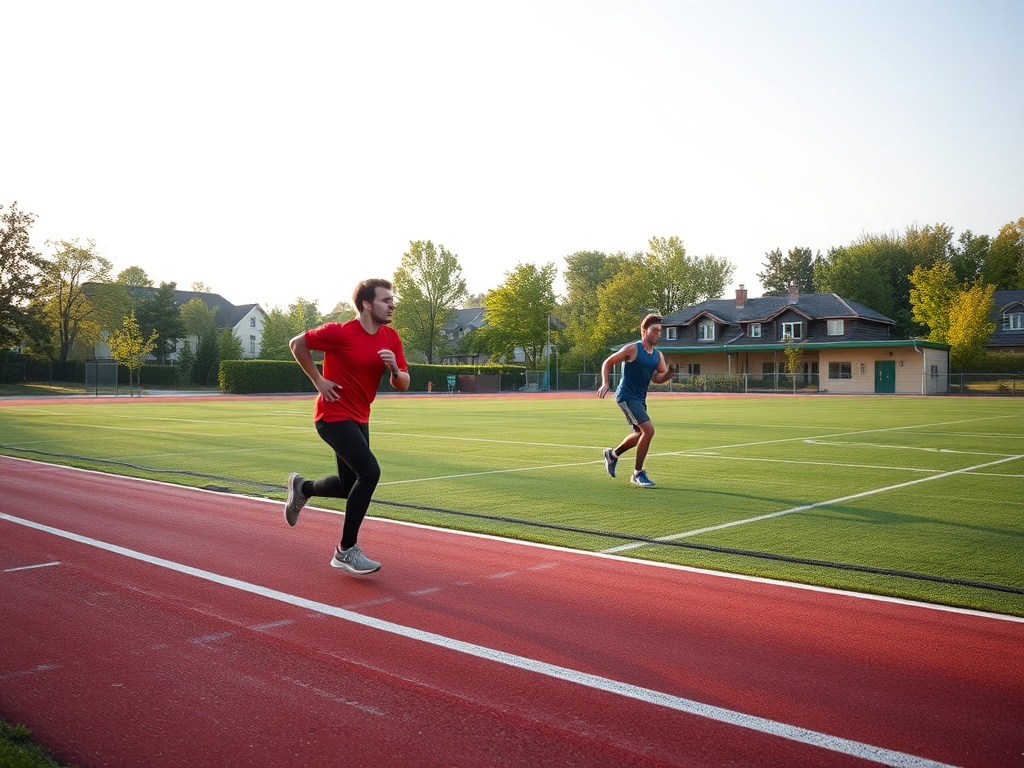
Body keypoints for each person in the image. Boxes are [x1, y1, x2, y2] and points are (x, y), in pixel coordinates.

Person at [284, 278, 410, 574]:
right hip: (332, 415)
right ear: (367, 304)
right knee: (369, 472)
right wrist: (318, 380)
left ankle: (303, 488)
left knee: (347, 486)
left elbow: (403, 383)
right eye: (385, 300)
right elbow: (297, 344)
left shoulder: (390, 337)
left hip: (360, 417)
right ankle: (345, 550)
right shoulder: (338, 332)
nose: (392, 304)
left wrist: (393, 367)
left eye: (392, 300)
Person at [597, 313, 672, 488]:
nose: (658, 334)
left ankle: (613, 455)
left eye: (660, 331)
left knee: (640, 434)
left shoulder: (658, 356)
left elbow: (656, 378)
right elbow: (608, 362)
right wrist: (605, 382)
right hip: (626, 396)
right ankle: (638, 473)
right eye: (654, 331)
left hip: (639, 398)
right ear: (644, 331)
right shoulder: (633, 349)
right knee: (649, 430)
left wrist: (667, 374)